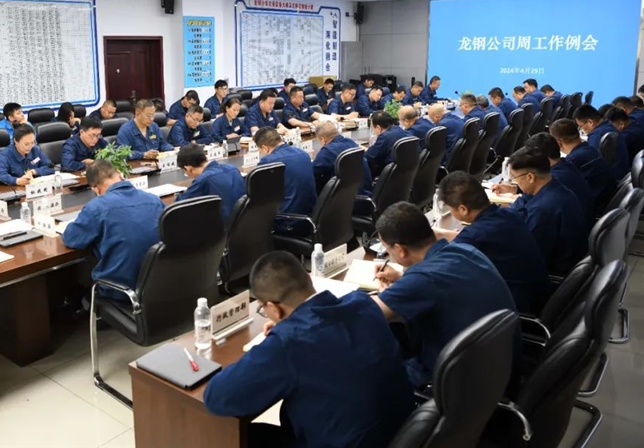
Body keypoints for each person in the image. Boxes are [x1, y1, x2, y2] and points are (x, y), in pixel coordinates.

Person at [205, 251, 415, 448]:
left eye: (262, 309)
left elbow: (217, 397)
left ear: (273, 308)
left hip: (347, 441)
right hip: (402, 431)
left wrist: (275, 341)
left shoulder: (288, 343)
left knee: (238, 434)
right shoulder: (363, 303)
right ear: (308, 278)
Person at [371, 202, 517, 388]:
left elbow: (368, 313)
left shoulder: (424, 279)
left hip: (459, 383)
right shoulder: (465, 250)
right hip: (500, 369)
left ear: (401, 250)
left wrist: (388, 294)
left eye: (388, 249)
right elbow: (440, 284)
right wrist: (401, 279)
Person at [435, 172, 551, 314]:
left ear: (463, 209)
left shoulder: (474, 237)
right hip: (538, 297)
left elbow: (440, 268)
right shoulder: (509, 214)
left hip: (517, 311)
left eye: (450, 208)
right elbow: (479, 237)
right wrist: (443, 234)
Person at [63, 160, 163, 300]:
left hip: (123, 292)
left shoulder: (96, 207)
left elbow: (71, 238)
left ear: (95, 189)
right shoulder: (154, 200)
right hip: (161, 286)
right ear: (119, 175)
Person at [504, 147, 588, 276]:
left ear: (530, 177)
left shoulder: (543, 210)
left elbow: (527, 257)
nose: (516, 183)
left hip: (550, 273)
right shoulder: (556, 188)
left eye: (515, 178)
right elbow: (526, 199)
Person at [515, 132, 594, 225]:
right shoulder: (565, 166)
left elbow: (529, 205)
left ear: (543, 159)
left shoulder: (556, 178)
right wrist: (516, 189)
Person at [254, 127, 316, 234]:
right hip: (311, 217)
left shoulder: (269, 162)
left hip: (287, 222)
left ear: (265, 148)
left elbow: (256, 193)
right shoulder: (303, 153)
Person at [549, 119, 616, 212]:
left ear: (558, 142)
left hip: (596, 207)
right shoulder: (590, 149)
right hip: (607, 199)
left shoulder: (572, 162)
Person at [176, 144, 245, 221]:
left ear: (188, 168)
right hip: (243, 221)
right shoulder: (232, 168)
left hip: (223, 225)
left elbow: (179, 205)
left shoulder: (202, 180)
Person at [313, 121, 372, 196]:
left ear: (322, 139)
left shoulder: (327, 152)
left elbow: (312, 173)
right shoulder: (350, 142)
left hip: (345, 199)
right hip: (364, 192)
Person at [574, 104, 630, 181]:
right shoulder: (609, 127)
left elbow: (590, 161)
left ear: (590, 122)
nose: (581, 129)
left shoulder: (597, 135)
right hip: (621, 176)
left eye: (581, 126)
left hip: (611, 180)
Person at [365, 111, 412, 178]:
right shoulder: (402, 130)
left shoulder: (384, 137)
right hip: (405, 174)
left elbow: (368, 157)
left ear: (378, 128)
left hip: (389, 175)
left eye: (372, 128)